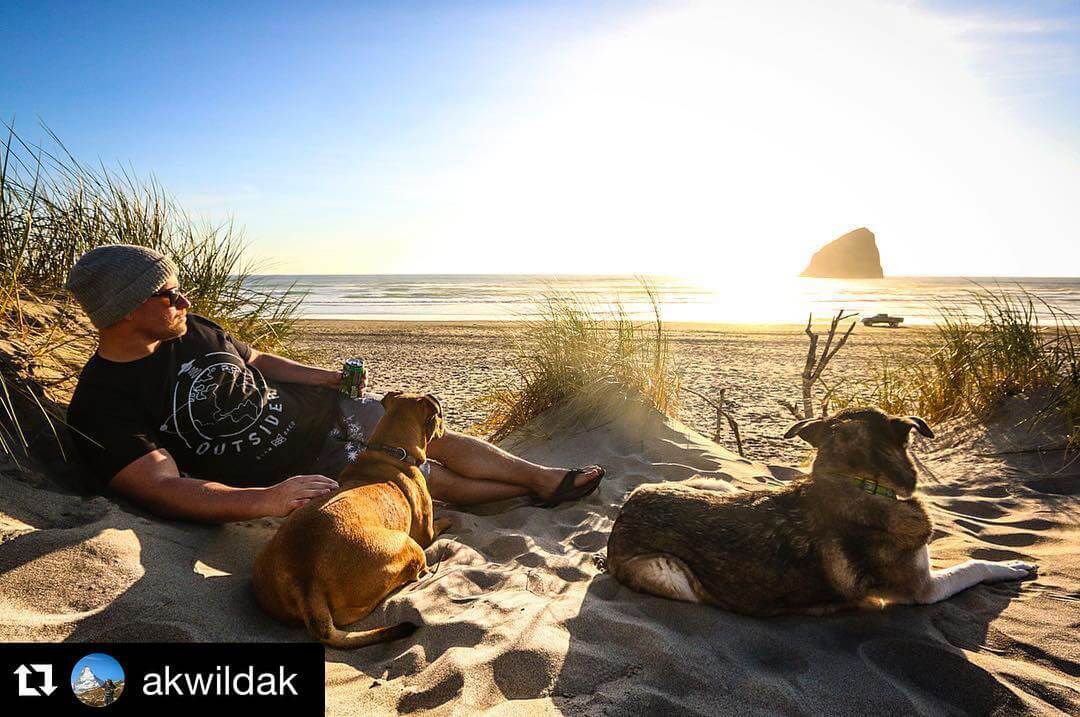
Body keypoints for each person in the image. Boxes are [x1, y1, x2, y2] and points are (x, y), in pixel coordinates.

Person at [64, 245, 604, 523]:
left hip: (324, 410)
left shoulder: (190, 327)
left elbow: (259, 360)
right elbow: (162, 488)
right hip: (294, 469)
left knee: (424, 433)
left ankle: (542, 479)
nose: (184, 301)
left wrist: (328, 379)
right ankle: (527, 494)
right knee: (428, 480)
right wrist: (263, 501)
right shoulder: (101, 405)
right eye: (168, 294)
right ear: (127, 307)